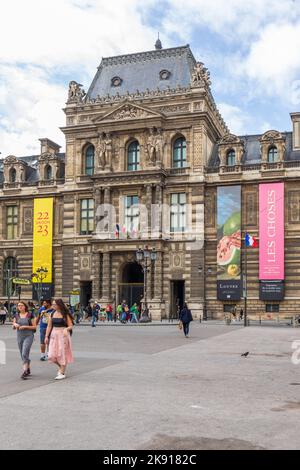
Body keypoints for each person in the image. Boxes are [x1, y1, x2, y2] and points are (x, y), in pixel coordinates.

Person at [45, 299, 74, 380]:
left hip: (63, 335)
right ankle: (62, 367)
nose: (53, 306)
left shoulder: (65, 314)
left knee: (62, 353)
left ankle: (62, 372)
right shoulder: (52, 313)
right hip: (54, 334)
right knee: (51, 355)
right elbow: (49, 326)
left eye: (54, 304)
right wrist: (46, 336)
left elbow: (70, 325)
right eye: (52, 304)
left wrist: (66, 329)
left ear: (59, 305)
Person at [13, 301, 37, 379]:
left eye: (21, 305)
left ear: (25, 306)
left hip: (29, 336)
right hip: (19, 336)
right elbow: (13, 327)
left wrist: (25, 327)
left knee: (24, 353)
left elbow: (34, 327)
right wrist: (15, 325)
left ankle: (25, 371)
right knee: (22, 354)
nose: (20, 307)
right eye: (18, 305)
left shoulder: (30, 315)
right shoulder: (16, 315)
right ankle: (28, 367)